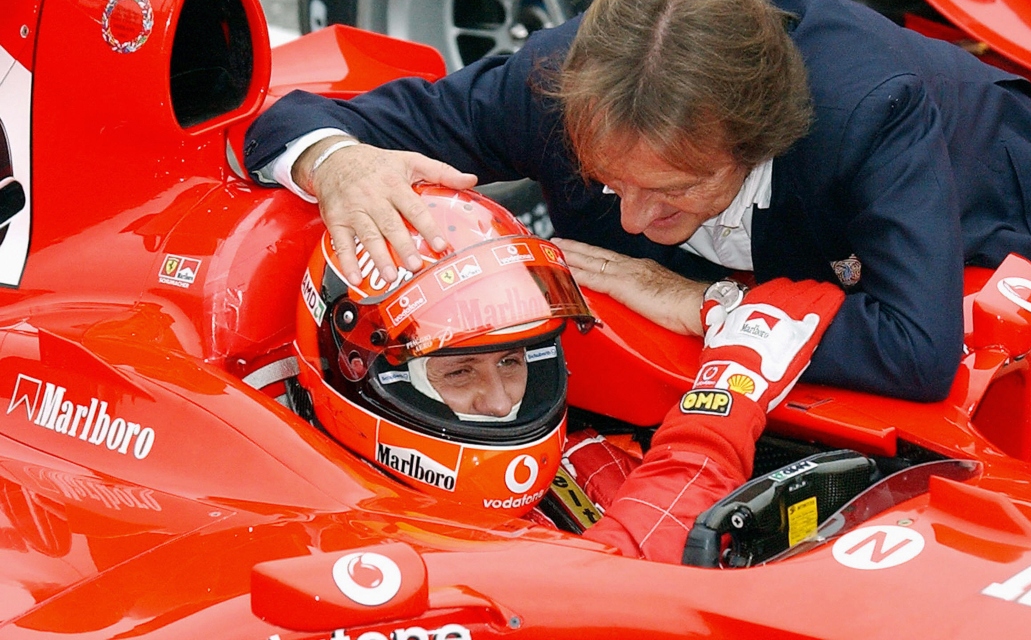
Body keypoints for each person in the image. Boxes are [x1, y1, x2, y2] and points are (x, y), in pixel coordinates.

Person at [251, 0, 1031, 505]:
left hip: (997, 237)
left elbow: (915, 351)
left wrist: (704, 302)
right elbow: (281, 118)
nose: (633, 221)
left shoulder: (871, 115)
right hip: (770, 280)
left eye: (676, 190)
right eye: (608, 181)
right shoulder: (556, 84)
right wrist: (340, 165)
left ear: (759, 142)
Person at [293, 184, 844, 561]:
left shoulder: (580, 461)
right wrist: (726, 401)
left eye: (512, 361)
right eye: (459, 374)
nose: (502, 400)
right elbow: (606, 584)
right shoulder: (362, 551)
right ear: (361, 378)